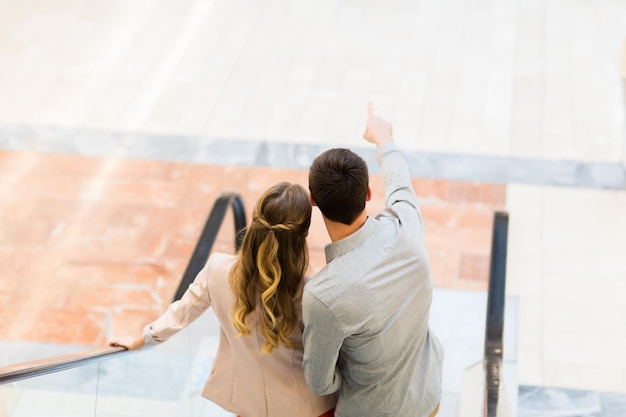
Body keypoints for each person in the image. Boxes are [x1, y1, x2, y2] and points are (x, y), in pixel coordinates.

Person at [111, 182, 337, 417]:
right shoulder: (315, 288)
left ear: (254, 220)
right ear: (303, 233)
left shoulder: (217, 269)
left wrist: (140, 341)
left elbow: (181, 313)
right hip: (309, 408)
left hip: (250, 406)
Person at [302, 103, 444, 417]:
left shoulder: (323, 296)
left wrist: (357, 376)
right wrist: (384, 138)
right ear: (367, 193)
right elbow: (398, 180)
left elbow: (319, 382)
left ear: (313, 200)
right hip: (428, 399)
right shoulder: (406, 226)